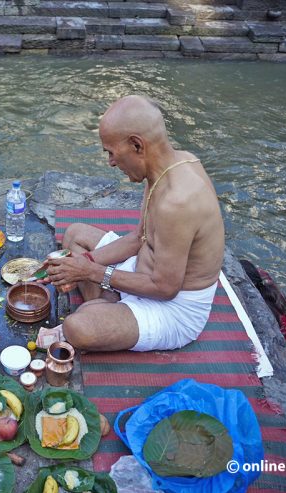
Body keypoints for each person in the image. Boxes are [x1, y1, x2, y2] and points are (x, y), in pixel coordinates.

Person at [46, 95, 225, 352]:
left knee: (78, 327)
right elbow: (138, 238)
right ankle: (110, 303)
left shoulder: (177, 202)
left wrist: (90, 273)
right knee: (75, 234)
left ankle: (104, 306)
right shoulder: (165, 166)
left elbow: (165, 288)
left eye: (111, 152)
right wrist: (81, 263)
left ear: (137, 145)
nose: (110, 162)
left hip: (173, 307)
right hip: (141, 270)